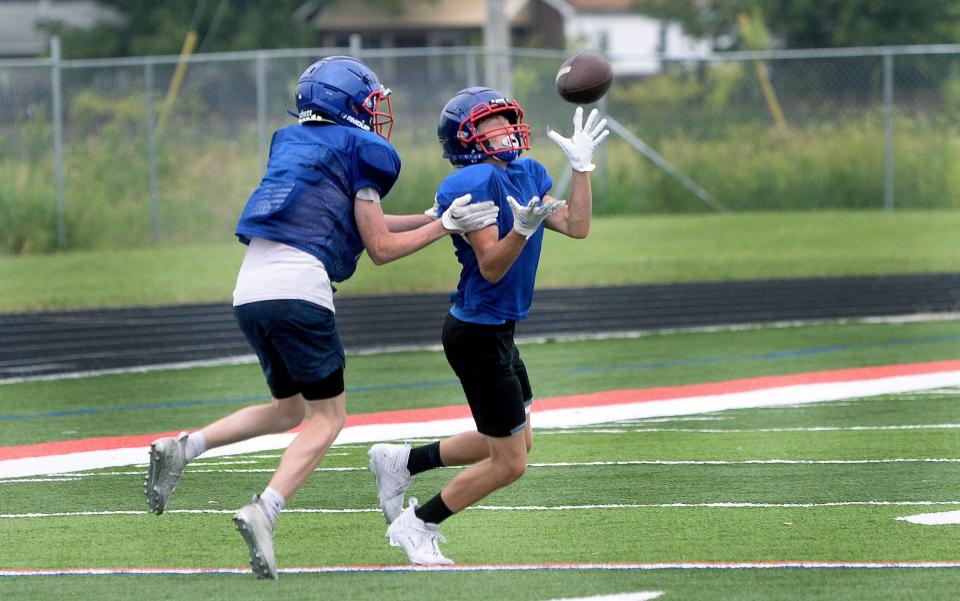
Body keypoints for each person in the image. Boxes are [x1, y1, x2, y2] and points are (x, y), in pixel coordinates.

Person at [143, 57, 498, 580]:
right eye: (368, 103)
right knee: (328, 418)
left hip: (251, 288)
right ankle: (265, 508)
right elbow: (378, 247)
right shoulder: (363, 149)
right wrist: (444, 226)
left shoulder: (292, 142)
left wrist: (429, 218)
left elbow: (360, 221)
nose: (375, 114)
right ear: (347, 104)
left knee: (287, 409)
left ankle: (184, 446)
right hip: (300, 289)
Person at [368, 87, 609, 565]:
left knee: (520, 440)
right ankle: (419, 524)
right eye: (488, 124)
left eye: (504, 120)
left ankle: (403, 461)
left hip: (499, 330)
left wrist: (581, 170)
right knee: (510, 462)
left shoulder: (527, 172)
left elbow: (577, 226)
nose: (502, 130)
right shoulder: (473, 180)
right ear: (466, 138)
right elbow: (493, 268)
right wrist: (520, 231)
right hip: (476, 333)